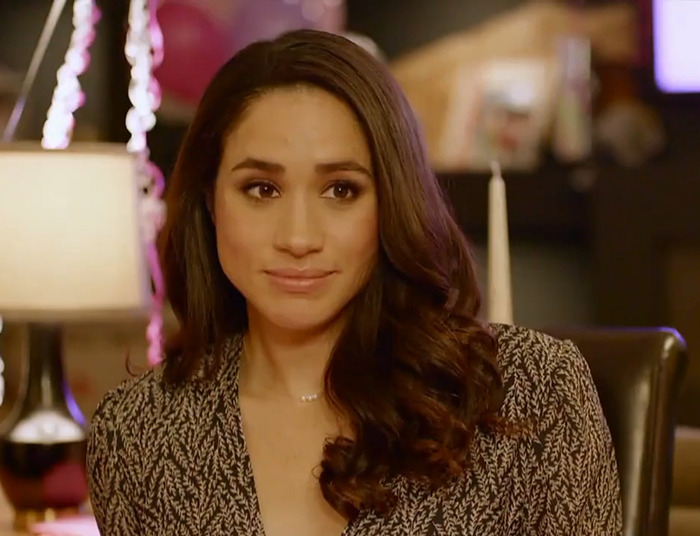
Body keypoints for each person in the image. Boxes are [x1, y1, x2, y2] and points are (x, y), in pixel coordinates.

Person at [87, 29, 622, 535]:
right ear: (210, 202)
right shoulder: (138, 431)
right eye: (261, 189)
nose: (298, 237)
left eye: (341, 190)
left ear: (390, 204)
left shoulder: (534, 393)